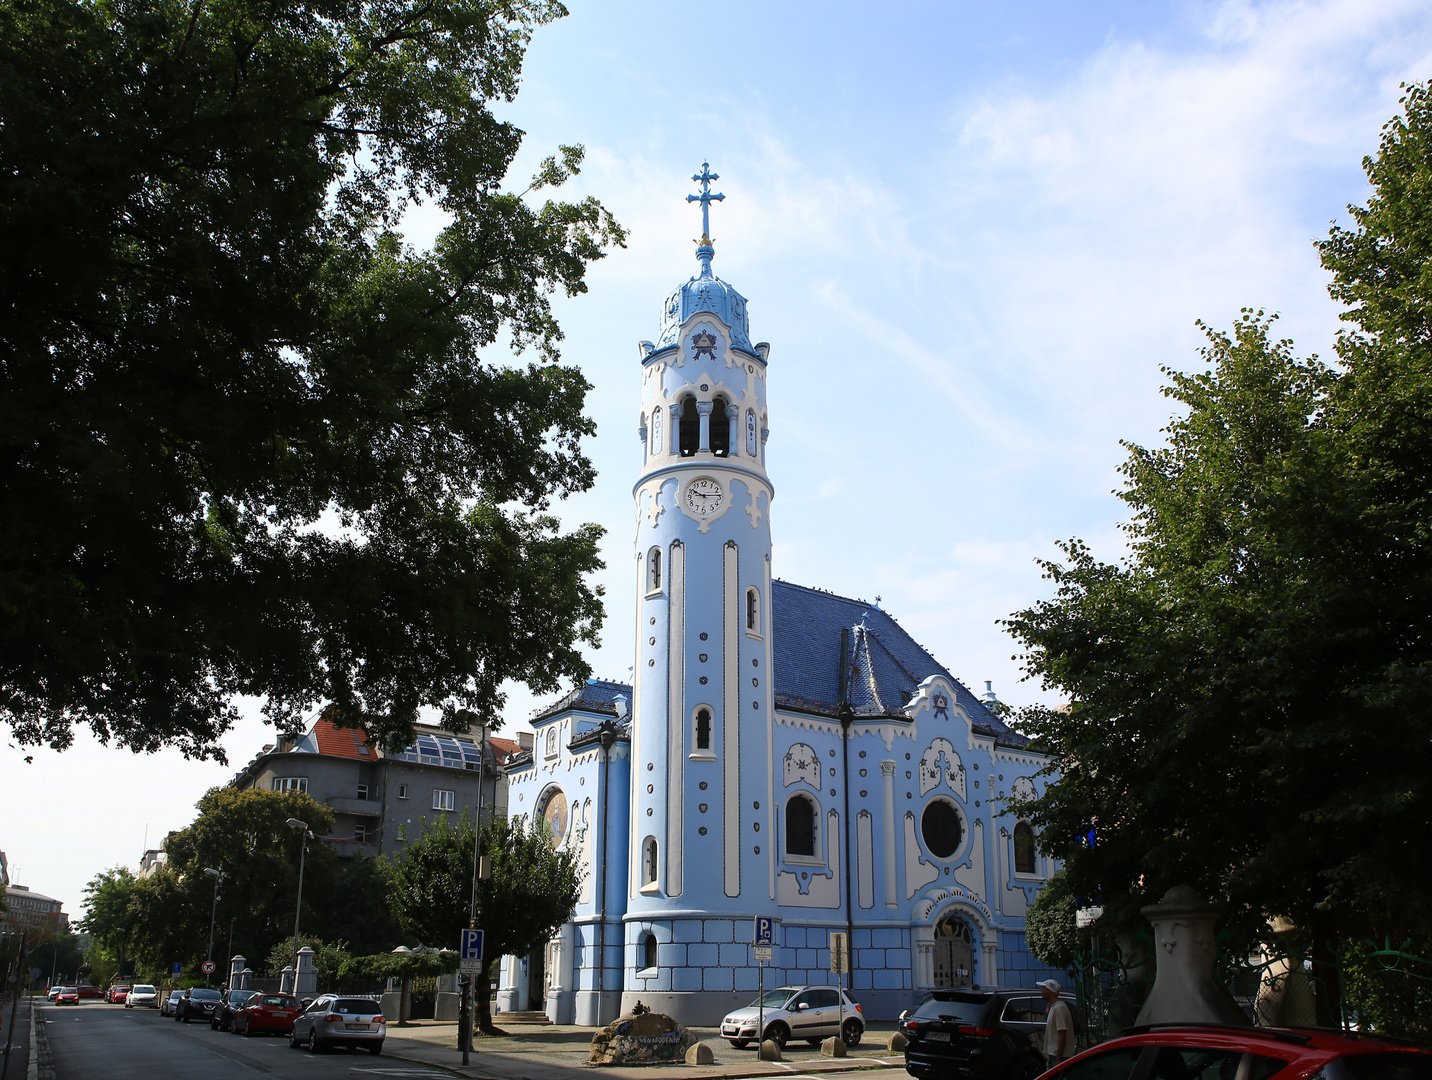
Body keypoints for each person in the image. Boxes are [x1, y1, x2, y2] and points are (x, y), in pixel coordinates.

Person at [1039, 978, 1073, 1071]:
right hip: (1054, 1055)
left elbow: (1062, 1033)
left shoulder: (1059, 1008)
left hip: (1059, 1056)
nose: (1041, 992)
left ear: (1049, 991)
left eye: (1043, 989)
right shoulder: (1054, 1007)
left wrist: (1058, 1059)